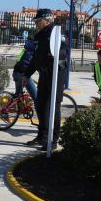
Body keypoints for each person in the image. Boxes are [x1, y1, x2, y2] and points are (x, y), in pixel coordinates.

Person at [23, 8, 67, 151]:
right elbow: (35, 58)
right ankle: (42, 136)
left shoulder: (57, 33)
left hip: (55, 77)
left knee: (53, 109)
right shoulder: (40, 36)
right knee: (40, 107)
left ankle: (53, 140)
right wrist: (27, 74)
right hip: (44, 76)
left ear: (46, 20)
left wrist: (51, 64)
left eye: (38, 21)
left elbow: (62, 55)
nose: (36, 23)